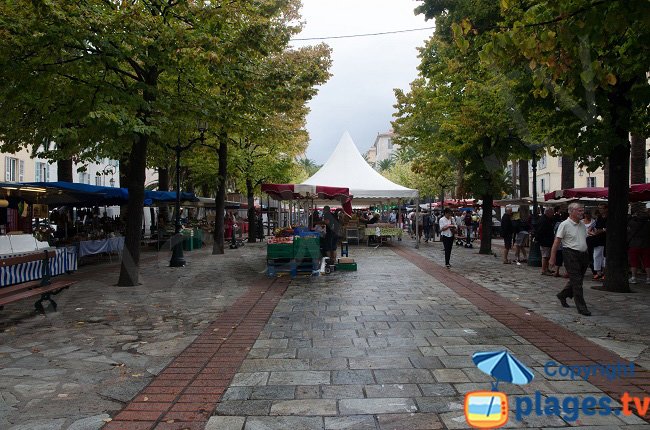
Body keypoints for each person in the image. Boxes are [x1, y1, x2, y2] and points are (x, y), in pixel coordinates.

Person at [549, 202, 591, 316]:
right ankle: (582, 307)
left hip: (583, 254)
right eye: (579, 210)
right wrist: (552, 257)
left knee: (576, 279)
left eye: (582, 210)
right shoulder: (564, 224)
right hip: (570, 254)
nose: (582, 213)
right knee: (577, 282)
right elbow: (557, 241)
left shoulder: (582, 225)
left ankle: (562, 295)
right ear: (571, 211)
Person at [627, 208, 650, 284]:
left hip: (634, 244)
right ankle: (648, 278)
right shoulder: (648, 223)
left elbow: (628, 219)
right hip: (646, 244)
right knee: (647, 261)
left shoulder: (633, 223)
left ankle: (633, 277)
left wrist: (633, 216)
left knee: (634, 261)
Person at [536, 208, 556, 275]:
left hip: (547, 241)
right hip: (545, 241)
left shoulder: (546, 219)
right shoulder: (544, 220)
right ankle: (544, 270)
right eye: (552, 212)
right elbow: (540, 231)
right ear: (548, 212)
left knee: (547, 256)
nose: (553, 214)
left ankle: (546, 269)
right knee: (545, 256)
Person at [591, 204, 607, 280]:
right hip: (598, 239)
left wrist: (602, 230)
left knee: (605, 257)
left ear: (606, 209)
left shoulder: (608, 217)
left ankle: (605, 272)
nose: (600, 210)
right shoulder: (599, 218)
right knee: (596, 255)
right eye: (599, 208)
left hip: (606, 239)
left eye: (602, 208)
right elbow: (596, 228)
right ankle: (598, 272)